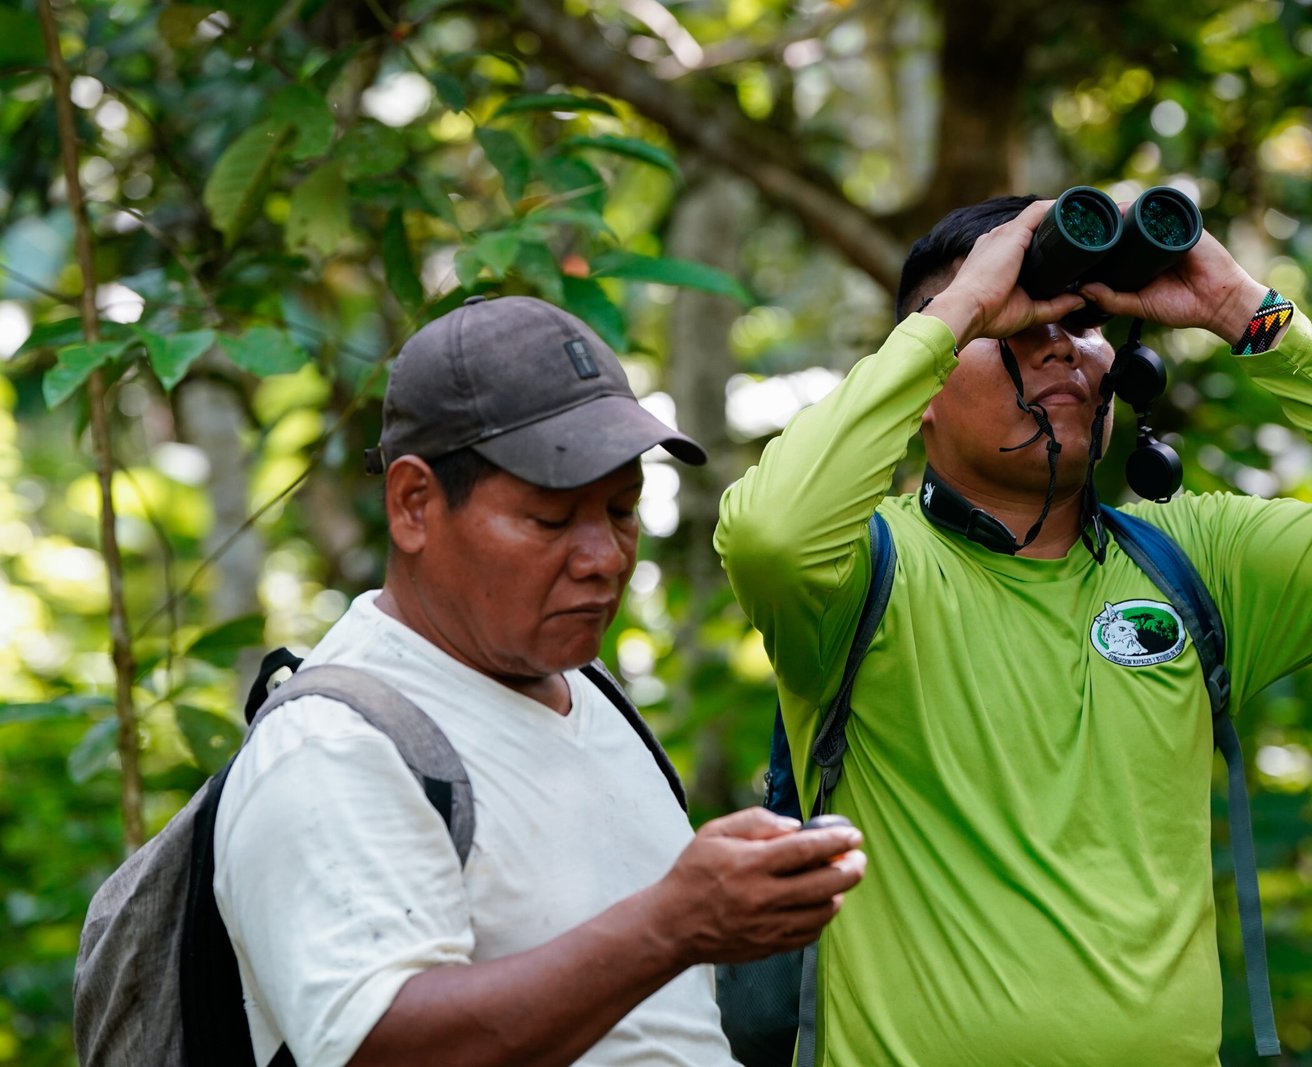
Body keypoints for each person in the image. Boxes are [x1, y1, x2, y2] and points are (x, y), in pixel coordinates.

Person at [715, 196, 1312, 1065]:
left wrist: (1242, 307)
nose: (1058, 346)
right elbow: (770, 534)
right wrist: (960, 310)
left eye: (1083, 324)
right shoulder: (861, 574)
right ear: (922, 386)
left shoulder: (1192, 564)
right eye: (1014, 328)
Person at [212, 295, 867, 1067]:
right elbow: (373, 1047)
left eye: (622, 509)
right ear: (414, 504)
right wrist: (671, 923)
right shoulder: (333, 744)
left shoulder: (586, 688)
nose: (605, 557)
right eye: (551, 520)